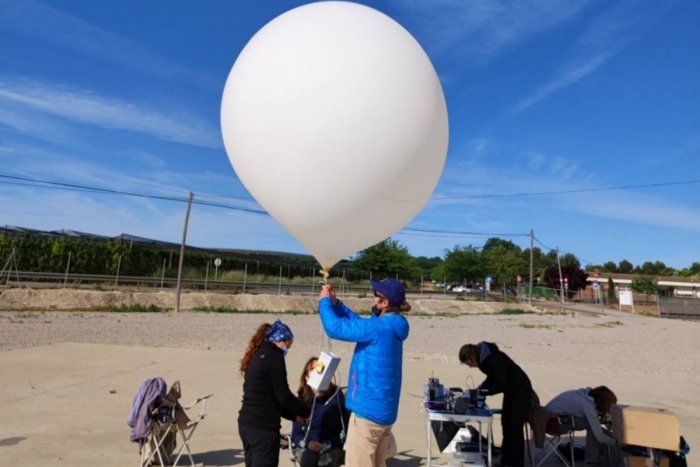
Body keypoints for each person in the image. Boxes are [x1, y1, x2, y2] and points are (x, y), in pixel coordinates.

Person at [318, 278, 410, 467]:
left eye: (376, 294)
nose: (372, 296)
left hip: (368, 414)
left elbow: (334, 328)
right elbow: (360, 323)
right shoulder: (391, 325)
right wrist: (337, 304)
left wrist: (324, 302)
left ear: (384, 303)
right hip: (383, 413)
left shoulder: (379, 328)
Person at [238, 320, 311, 467]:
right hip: (262, 428)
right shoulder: (274, 357)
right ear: (281, 341)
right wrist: (306, 411)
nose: (287, 350)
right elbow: (283, 396)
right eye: (288, 345)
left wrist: (294, 416)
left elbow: (272, 398)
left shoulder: (257, 353)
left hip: (247, 424)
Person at [459, 342, 534, 467]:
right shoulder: (484, 360)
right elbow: (491, 378)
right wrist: (480, 389)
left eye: (468, 363)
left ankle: (516, 463)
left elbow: (501, 385)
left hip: (520, 390)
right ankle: (506, 461)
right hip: (511, 390)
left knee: (514, 427)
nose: (470, 367)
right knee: (506, 423)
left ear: (472, 358)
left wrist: (484, 393)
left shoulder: (492, 359)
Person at [291, 356, 350, 467]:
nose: (317, 371)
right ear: (306, 377)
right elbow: (296, 434)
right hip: (307, 446)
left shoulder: (336, 395)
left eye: (320, 368)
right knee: (309, 458)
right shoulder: (301, 399)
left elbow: (344, 429)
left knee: (329, 458)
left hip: (331, 445)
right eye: (313, 369)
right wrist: (308, 444)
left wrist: (328, 444)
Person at [544, 386, 618, 465]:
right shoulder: (588, 405)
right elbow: (599, 436)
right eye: (609, 406)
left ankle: (593, 458)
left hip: (545, 420)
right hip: (554, 425)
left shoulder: (584, 395)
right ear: (604, 403)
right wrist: (616, 442)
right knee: (592, 427)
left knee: (594, 424)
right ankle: (592, 461)